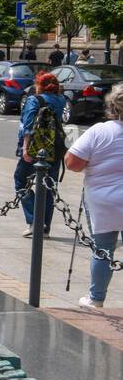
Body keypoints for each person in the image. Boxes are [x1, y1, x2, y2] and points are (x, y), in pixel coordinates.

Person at [66, 83, 123, 309]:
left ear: (112, 106)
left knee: (102, 249)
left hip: (103, 199)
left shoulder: (100, 131)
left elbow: (72, 163)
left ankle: (96, 299)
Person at [14, 71, 68, 238]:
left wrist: (25, 148)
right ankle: (45, 228)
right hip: (55, 149)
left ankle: (34, 221)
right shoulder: (61, 100)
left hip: (35, 149)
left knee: (21, 181)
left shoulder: (34, 100)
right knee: (49, 187)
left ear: (40, 85)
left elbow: (28, 126)